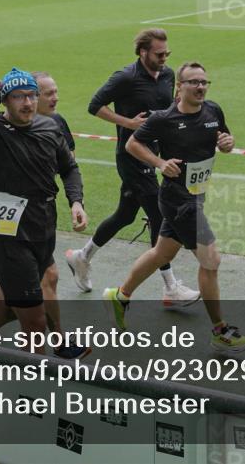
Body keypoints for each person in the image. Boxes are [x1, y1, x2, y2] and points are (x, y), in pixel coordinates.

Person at [103, 62, 245, 354]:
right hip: (178, 201)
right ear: (180, 87)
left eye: (204, 82)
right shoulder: (164, 118)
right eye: (193, 82)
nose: (200, 87)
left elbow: (224, 140)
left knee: (162, 253)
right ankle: (220, 331)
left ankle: (119, 296)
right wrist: (160, 163)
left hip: (196, 196)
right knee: (211, 261)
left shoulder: (213, 111)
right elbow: (132, 144)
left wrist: (228, 142)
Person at [66, 29, 199, 308]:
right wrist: (128, 123)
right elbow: (95, 105)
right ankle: (170, 288)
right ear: (143, 52)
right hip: (131, 157)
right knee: (159, 214)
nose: (164, 58)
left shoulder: (167, 75)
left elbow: (165, 111)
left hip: (154, 153)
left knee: (125, 215)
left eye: (167, 53)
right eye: (159, 54)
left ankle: (82, 256)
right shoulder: (125, 77)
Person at [0, 68, 89, 357]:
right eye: (18, 97)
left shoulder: (49, 127)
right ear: (6, 100)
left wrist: (76, 201)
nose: (28, 103)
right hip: (8, 237)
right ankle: (37, 383)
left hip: (42, 226)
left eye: (31, 95)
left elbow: (69, 167)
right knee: (35, 323)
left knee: (4, 311)